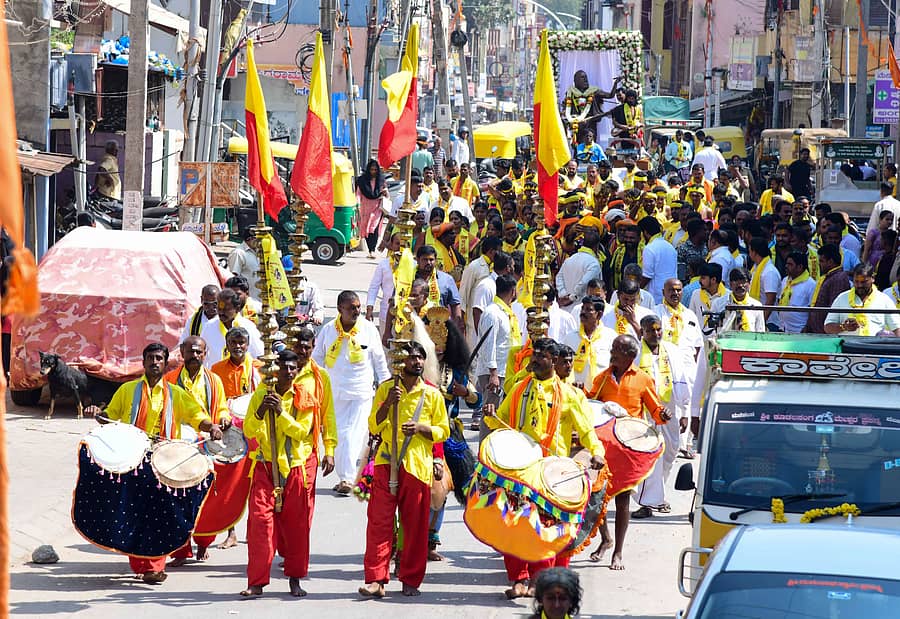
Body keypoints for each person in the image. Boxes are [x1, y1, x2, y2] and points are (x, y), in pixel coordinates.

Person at [85, 343, 222, 584]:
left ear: (165, 362)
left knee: (159, 514)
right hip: (133, 460)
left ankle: (153, 566)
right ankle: (141, 564)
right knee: (134, 512)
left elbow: (196, 416)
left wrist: (210, 426)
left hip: (163, 461)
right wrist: (99, 414)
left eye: (159, 358)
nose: (155, 362)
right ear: (144, 361)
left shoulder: (177, 394)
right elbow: (110, 416)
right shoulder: (128, 390)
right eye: (150, 358)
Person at [484, 338, 605, 597]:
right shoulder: (518, 390)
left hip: (552, 474)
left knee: (546, 529)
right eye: (533, 354)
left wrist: (597, 452)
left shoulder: (570, 395)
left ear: (553, 360)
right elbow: (500, 423)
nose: (534, 359)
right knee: (514, 525)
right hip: (519, 470)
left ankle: (541, 581)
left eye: (541, 356)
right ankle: (518, 579)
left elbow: (587, 431)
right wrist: (490, 414)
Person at [240, 343, 337, 598]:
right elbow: (249, 430)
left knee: (296, 526)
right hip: (265, 465)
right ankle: (257, 582)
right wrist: (262, 410)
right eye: (285, 368)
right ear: (276, 370)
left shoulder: (304, 395)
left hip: (295, 467)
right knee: (260, 523)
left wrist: (280, 412)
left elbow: (301, 431)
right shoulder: (261, 393)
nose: (290, 372)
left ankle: (295, 578)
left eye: (294, 368)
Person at [359, 341, 449, 598]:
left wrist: (423, 428)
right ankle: (376, 579)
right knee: (379, 523)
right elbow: (374, 427)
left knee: (414, 527)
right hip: (388, 463)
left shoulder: (431, 394)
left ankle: (411, 578)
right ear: (401, 361)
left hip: (417, 466)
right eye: (412, 358)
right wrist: (387, 404)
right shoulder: (387, 389)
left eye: (421, 358)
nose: (418, 362)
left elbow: (443, 430)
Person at [586, 334, 668, 570]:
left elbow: (655, 411)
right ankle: (605, 539)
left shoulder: (643, 379)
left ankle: (618, 552)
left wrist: (663, 415)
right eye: (612, 348)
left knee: (622, 501)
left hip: (628, 449)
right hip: (604, 449)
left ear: (630, 356)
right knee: (597, 498)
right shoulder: (602, 378)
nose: (612, 353)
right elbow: (591, 405)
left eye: (617, 349)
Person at [312, 291, 389, 495]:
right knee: (338, 436)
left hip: (361, 392)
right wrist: (312, 384)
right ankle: (345, 476)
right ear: (340, 310)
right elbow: (317, 358)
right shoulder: (328, 330)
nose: (356, 311)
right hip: (334, 392)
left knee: (352, 436)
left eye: (358, 307)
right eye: (351, 308)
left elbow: (379, 360)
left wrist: (385, 386)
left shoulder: (368, 329)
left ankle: (347, 478)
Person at [632, 315, 689, 519]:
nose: (656, 334)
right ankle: (649, 502)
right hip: (645, 413)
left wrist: (684, 412)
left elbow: (682, 381)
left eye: (658, 330)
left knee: (670, 452)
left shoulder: (671, 351)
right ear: (642, 332)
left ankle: (657, 495)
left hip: (670, 410)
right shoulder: (636, 353)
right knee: (650, 456)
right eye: (650, 330)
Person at [473, 274, 519, 431]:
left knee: (500, 417)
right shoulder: (492, 313)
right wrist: (493, 373)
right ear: (513, 291)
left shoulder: (505, 312)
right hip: (493, 373)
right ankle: (484, 453)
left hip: (504, 371)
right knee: (490, 416)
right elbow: (488, 344)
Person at [825, 262, 900, 336]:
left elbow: (897, 329)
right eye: (856, 281)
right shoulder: (842, 298)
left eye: (864, 282)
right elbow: (827, 327)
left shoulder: (884, 300)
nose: (860, 285)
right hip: (848, 346)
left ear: (872, 278)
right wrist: (844, 327)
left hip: (874, 346)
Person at [199, 288, 264, 367]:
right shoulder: (209, 327)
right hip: (215, 376)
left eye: (226, 309)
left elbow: (259, 355)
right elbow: (201, 354)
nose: (221, 313)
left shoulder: (248, 327)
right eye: (219, 309)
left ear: (237, 309)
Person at [562, 295, 616, 389]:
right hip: (575, 392)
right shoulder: (570, 337)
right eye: (582, 308)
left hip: (601, 393)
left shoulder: (611, 337)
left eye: (588, 310)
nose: (583, 312)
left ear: (599, 315)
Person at [556, 226, 603, 313]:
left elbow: (558, 277)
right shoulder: (594, 264)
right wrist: (571, 298)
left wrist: (563, 294)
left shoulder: (569, 259)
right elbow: (584, 283)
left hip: (564, 308)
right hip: (582, 311)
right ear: (596, 246)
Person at [807, 244, 851, 334]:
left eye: (822, 261)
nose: (819, 264)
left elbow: (834, 309)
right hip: (818, 331)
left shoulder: (839, 279)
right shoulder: (829, 277)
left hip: (825, 333)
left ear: (830, 262)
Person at [414, 244, 463, 324]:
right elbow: (395, 303)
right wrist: (387, 332)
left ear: (436, 260)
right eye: (425, 260)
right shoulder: (408, 278)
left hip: (439, 329)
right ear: (418, 260)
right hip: (413, 326)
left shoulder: (447, 279)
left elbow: (455, 305)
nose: (428, 263)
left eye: (431, 259)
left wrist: (457, 329)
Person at [710, 268, 766, 333]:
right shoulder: (718, 303)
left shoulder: (757, 305)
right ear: (730, 284)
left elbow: (760, 331)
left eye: (743, 282)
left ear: (749, 284)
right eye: (736, 282)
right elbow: (712, 332)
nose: (740, 285)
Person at [772, 251, 816, 333]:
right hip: (782, 328)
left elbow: (813, 311)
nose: (786, 266)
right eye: (786, 264)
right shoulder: (785, 280)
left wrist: (807, 327)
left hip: (799, 330)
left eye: (790, 264)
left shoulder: (811, 284)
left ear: (800, 267)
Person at [211, 327, 261, 398]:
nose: (237, 346)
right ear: (227, 345)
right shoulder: (216, 369)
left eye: (241, 343)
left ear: (247, 345)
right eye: (233, 342)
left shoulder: (259, 367)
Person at [366, 232, 400, 335]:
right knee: (385, 348)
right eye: (397, 243)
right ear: (391, 245)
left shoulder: (413, 265)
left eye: (403, 244)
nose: (400, 247)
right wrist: (369, 308)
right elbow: (374, 287)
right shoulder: (384, 265)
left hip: (406, 316)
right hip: (386, 313)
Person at [638, 216, 677, 304]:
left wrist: (634, 290)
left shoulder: (650, 248)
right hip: (671, 294)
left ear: (645, 232)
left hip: (655, 297)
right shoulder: (670, 246)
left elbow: (647, 276)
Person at [357, 159, 390, 258]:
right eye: (371, 169)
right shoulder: (362, 180)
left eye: (375, 170)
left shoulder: (381, 180)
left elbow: (387, 195)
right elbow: (358, 193)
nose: (373, 172)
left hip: (377, 208)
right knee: (366, 229)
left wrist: (385, 192)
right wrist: (358, 205)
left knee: (374, 228)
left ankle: (372, 249)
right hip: (365, 208)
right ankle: (370, 249)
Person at [689, 263, 725, 330]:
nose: (699, 281)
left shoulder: (727, 296)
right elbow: (690, 318)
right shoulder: (696, 294)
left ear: (713, 280)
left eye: (703, 278)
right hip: (700, 338)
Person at [226, 228, 261, 299]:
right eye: (257, 239)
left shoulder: (259, 251)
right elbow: (233, 278)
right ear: (250, 239)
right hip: (247, 301)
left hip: (260, 299)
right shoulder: (238, 253)